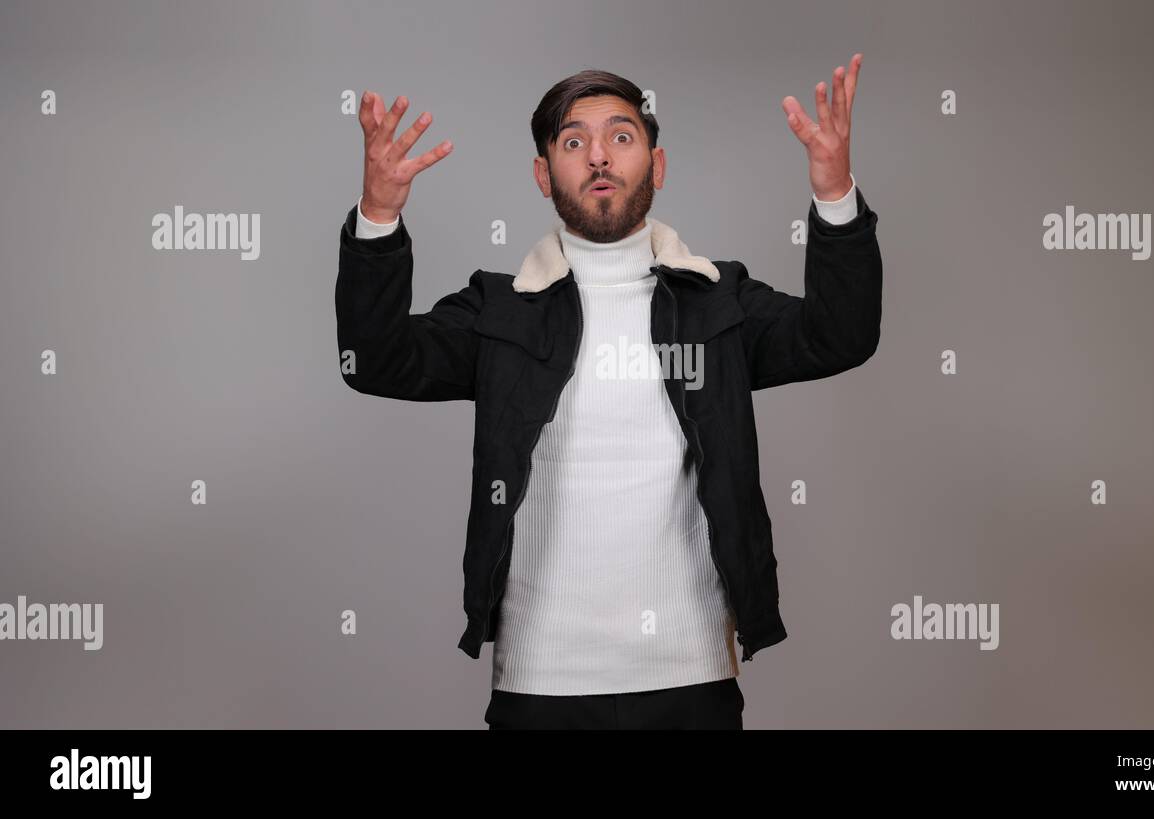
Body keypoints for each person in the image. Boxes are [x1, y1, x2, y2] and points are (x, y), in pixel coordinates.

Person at [334, 54, 882, 729]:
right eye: (573, 141)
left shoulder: (720, 301)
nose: (599, 156)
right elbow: (375, 361)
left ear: (657, 164)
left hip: (691, 679)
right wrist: (378, 217)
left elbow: (840, 336)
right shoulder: (499, 308)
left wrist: (834, 196)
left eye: (621, 136)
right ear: (543, 174)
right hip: (540, 685)